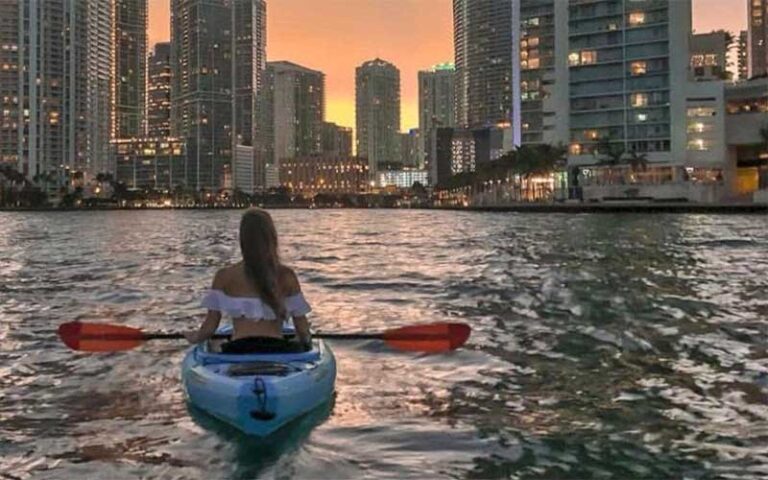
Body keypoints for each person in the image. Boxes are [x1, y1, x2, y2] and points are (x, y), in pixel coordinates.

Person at [184, 208, 312, 353]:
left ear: (243, 239)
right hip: (277, 349)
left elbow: (209, 327)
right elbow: (301, 327)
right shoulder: (286, 275)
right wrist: (307, 343)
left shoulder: (224, 276)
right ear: (271, 237)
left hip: (237, 349)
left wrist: (194, 337)